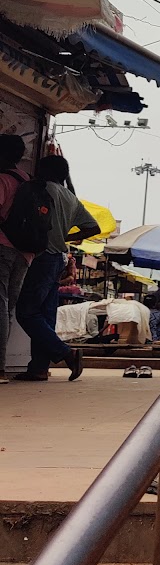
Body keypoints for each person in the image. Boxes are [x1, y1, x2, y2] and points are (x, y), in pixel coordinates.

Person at [13, 155, 99, 382]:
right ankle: (39, 368)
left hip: (41, 256)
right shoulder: (70, 197)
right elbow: (93, 227)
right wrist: (66, 236)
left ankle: (66, 353)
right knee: (45, 315)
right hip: (58, 258)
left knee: (26, 312)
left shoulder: (39, 189)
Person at [0, 134, 30, 384]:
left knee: (1, 305)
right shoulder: (28, 181)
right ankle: (1, 365)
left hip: (3, 246)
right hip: (25, 253)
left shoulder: (3, 180)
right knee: (7, 307)